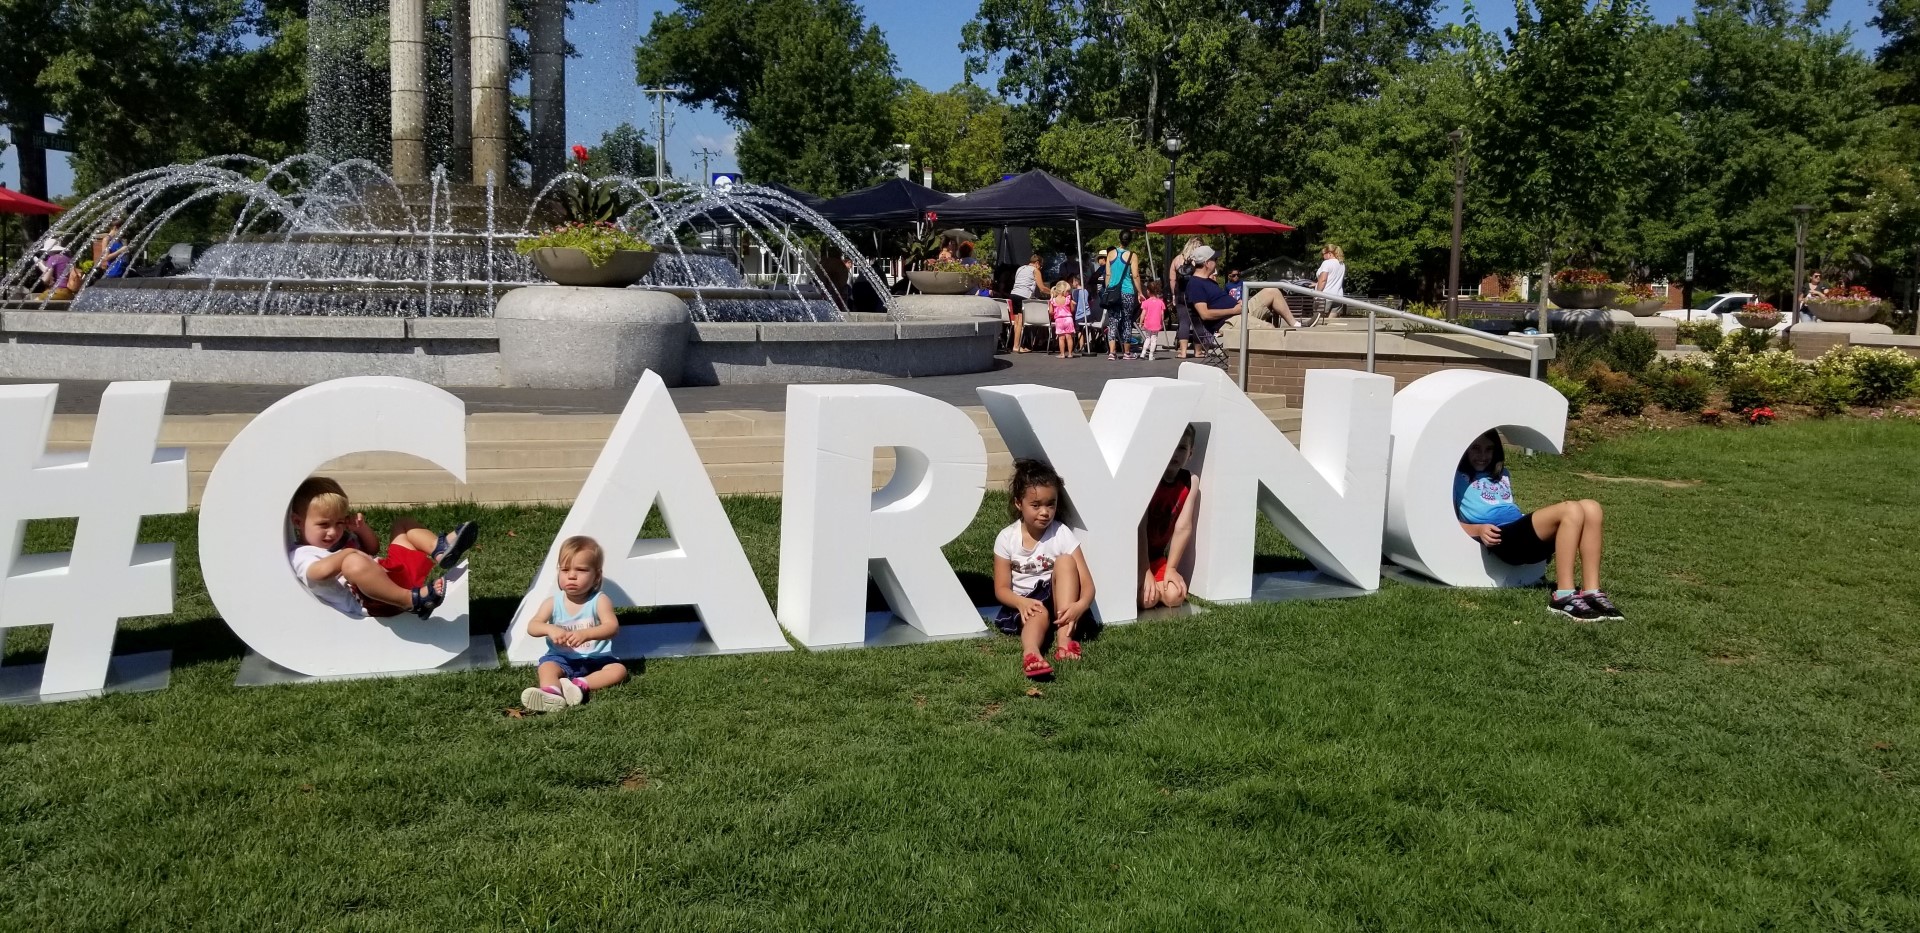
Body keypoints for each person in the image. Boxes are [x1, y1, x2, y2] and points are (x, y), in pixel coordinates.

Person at [1456, 430, 1623, 622]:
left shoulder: (1502, 475)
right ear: (1464, 450)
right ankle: (1563, 596)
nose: (1483, 455)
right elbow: (1445, 519)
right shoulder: (1457, 478)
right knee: (1571, 510)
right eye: (1475, 448)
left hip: (1518, 531)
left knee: (1592, 508)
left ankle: (1592, 592)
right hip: (1502, 538)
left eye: (1489, 449)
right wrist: (1476, 530)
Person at [286, 476, 478, 619]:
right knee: (352, 562)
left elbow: (372, 549)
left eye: (339, 522)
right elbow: (316, 573)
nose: (333, 531)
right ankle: (411, 601)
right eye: (323, 525)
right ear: (297, 521)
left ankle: (441, 549)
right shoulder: (302, 554)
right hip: (373, 599)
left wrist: (361, 531)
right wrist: (348, 553)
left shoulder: (341, 539)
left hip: (388, 575)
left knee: (402, 525)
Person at [992, 459, 1094, 680]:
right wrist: (1021, 602)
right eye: (1036, 505)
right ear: (1019, 503)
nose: (1045, 512)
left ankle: (1064, 643)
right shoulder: (1007, 538)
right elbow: (1001, 588)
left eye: (1051, 504)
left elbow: (1087, 583)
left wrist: (1080, 605)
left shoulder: (1061, 533)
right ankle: (1031, 653)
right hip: (1027, 603)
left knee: (1066, 561)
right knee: (1038, 612)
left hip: (1060, 600)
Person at [520, 535, 629, 712]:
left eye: (581, 570)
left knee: (618, 670)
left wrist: (586, 634)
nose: (571, 576)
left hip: (597, 658)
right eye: (565, 569)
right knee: (547, 667)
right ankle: (551, 692)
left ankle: (580, 685)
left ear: (596, 576)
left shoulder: (599, 601)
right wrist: (549, 628)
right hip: (562, 658)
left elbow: (612, 627)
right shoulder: (553, 602)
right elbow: (533, 626)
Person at [1140, 425, 1199, 609]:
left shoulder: (1190, 481)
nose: (1175, 453)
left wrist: (1171, 568)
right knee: (1147, 599)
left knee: (1175, 596)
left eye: (1181, 448)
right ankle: (1144, 585)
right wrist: (1145, 570)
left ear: (1190, 453)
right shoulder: (1149, 478)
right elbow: (1139, 527)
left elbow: (1183, 527)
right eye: (1171, 446)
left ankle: (1154, 587)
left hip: (1156, 557)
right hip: (1136, 556)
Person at [1184, 245, 1241, 341]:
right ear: (1207, 263)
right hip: (1231, 321)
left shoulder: (1209, 281)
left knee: (1270, 292)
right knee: (1269, 329)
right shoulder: (1196, 284)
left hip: (1239, 311)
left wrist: (1237, 303)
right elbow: (1205, 314)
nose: (1216, 262)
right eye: (1215, 259)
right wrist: (1234, 310)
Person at [1105, 230, 1143, 360]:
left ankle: (1112, 352)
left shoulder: (1110, 254)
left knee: (1112, 321)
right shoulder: (1132, 256)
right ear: (1130, 240)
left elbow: (1108, 275)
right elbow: (1136, 275)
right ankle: (1127, 353)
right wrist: (1140, 292)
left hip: (1113, 291)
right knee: (1127, 320)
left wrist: (1108, 289)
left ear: (1119, 239)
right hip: (1127, 291)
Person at [1170, 237, 1206, 359]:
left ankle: (1183, 352)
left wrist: (1174, 295)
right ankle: (1198, 351)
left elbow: (1172, 279)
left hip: (1181, 294)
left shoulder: (1177, 259)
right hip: (1197, 294)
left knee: (1183, 322)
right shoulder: (1201, 261)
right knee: (1197, 323)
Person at [1008, 252, 1048, 353]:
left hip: (1014, 294)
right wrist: (1054, 291)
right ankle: (1016, 346)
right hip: (1023, 296)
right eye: (1041, 266)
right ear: (1037, 263)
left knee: (1016, 322)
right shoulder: (1035, 270)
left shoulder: (1020, 268)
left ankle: (1016, 344)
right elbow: (1042, 288)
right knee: (1020, 322)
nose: (1040, 268)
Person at [1314, 244, 1347, 318]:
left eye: (1323, 254)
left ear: (1329, 253)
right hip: (1338, 296)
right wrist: (1316, 284)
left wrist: (1317, 294)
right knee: (1331, 323)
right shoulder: (1342, 264)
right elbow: (1333, 279)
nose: (1323, 256)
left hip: (1325, 296)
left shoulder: (1326, 263)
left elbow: (1323, 280)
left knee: (1318, 320)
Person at [1048, 280, 1077, 358]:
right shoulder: (1068, 299)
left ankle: (1062, 354)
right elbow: (1072, 309)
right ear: (1063, 291)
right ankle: (1070, 353)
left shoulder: (1053, 300)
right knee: (1069, 337)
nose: (1068, 293)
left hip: (1059, 320)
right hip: (1068, 319)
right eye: (1067, 291)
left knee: (1061, 338)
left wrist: (1054, 313)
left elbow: (1050, 311)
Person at [1139, 281, 1167, 360]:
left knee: (1147, 338)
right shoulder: (1161, 302)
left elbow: (1143, 314)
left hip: (1148, 323)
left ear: (1148, 291)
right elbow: (1162, 315)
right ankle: (1151, 355)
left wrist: (1141, 323)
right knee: (1154, 339)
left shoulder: (1146, 302)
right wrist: (1161, 322)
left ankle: (1143, 353)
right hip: (1156, 323)